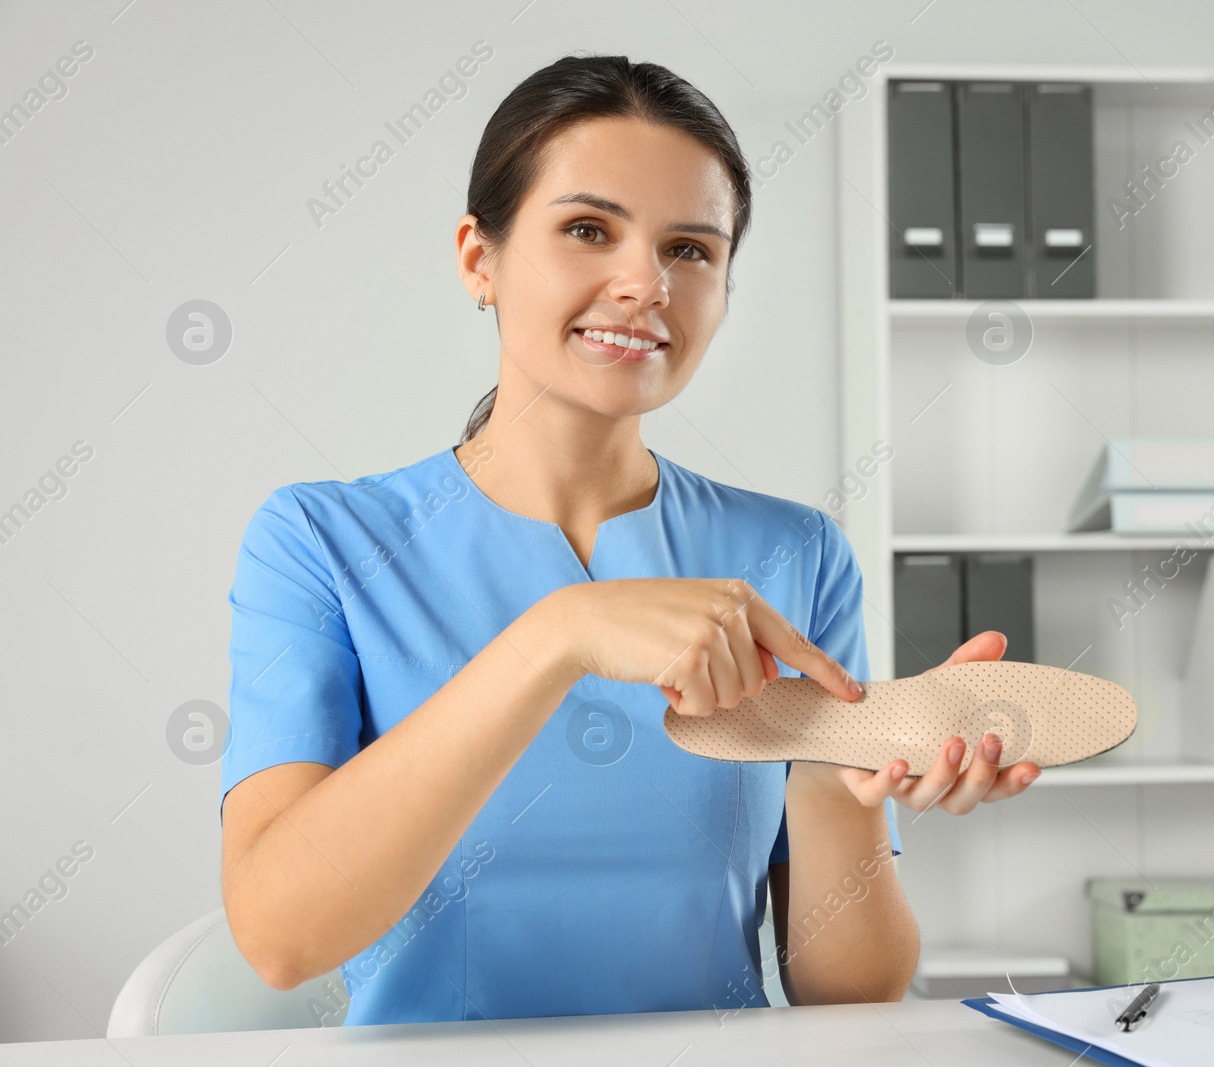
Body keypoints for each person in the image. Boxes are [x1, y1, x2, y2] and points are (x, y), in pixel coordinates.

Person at [218, 52, 1041, 1027]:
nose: (644, 282)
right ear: (479, 257)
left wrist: (837, 774)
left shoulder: (796, 552)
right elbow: (280, 935)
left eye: (689, 249)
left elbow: (850, 993)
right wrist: (560, 631)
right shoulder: (320, 540)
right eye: (585, 229)